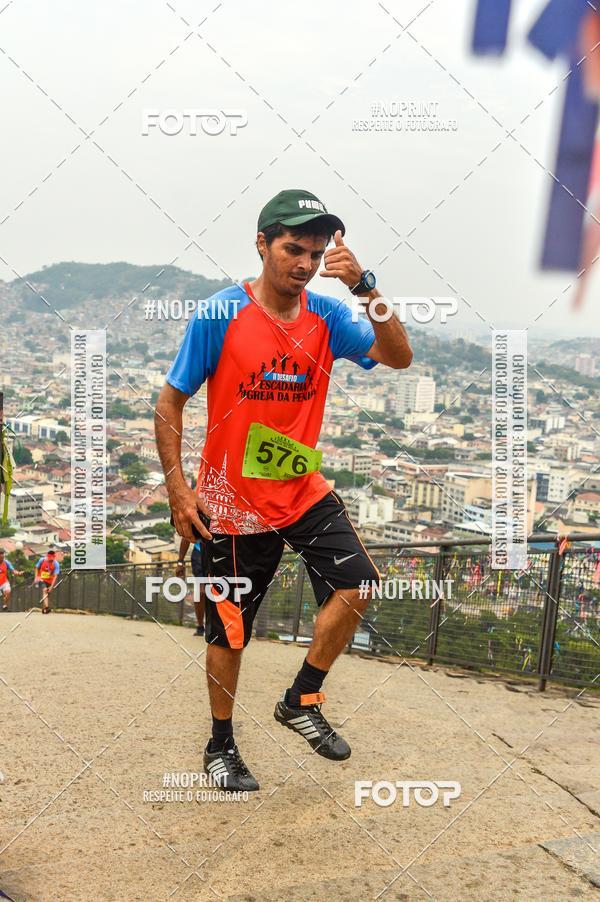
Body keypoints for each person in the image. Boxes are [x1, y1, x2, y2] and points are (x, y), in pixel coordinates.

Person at [155, 188, 412, 791]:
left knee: (357, 586)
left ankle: (302, 697)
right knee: (230, 630)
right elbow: (171, 400)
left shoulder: (329, 315)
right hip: (231, 502)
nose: (305, 264)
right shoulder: (222, 313)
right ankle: (220, 745)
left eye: (317, 253)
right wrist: (178, 488)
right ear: (263, 245)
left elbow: (398, 355)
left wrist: (367, 288)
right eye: (293, 249)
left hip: (302, 488)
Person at [176, 536, 206, 636]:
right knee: (201, 592)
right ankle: (200, 626)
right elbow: (186, 536)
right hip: (200, 554)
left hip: (221, 554)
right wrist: (180, 561)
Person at [34, 549, 60, 613]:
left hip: (50, 580)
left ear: (54, 557)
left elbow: (55, 576)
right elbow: (37, 567)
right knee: (44, 590)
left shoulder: (56, 564)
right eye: (49, 558)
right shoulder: (42, 560)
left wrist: (51, 586)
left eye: (52, 559)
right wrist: (36, 577)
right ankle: (47, 608)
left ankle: (44, 607)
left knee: (46, 594)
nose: (51, 560)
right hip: (41, 579)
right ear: (47, 556)